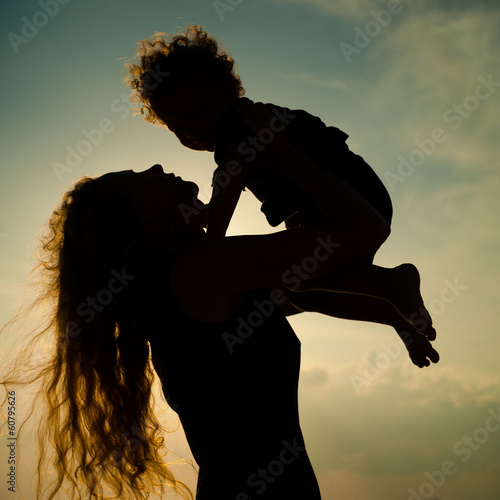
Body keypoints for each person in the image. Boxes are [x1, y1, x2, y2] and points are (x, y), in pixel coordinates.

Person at [1, 123, 395, 499]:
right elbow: (366, 229)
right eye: (141, 176)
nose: (156, 167)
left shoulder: (185, 283)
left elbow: (304, 293)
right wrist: (282, 154)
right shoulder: (198, 270)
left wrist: (393, 307)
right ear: (146, 223)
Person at [126, 25, 439, 369]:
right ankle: (395, 310)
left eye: (195, 115)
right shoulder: (242, 128)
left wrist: (212, 240)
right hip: (352, 198)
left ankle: (393, 284)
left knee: (300, 279)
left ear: (228, 91)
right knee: (302, 288)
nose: (191, 131)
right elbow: (264, 196)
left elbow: (227, 186)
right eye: (178, 129)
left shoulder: (238, 124)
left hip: (350, 196)